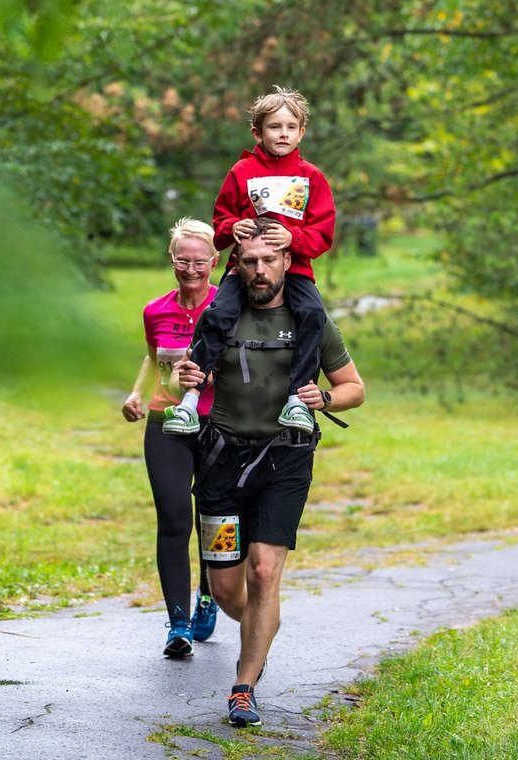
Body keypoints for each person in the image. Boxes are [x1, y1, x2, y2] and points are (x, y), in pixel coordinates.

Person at [173, 217, 364, 726]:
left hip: (286, 459)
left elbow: (354, 388)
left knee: (264, 571)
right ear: (237, 263)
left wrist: (322, 397)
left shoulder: (311, 320)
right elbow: (188, 379)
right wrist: (187, 376)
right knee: (230, 587)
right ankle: (261, 621)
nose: (259, 270)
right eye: (250, 261)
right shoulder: (219, 314)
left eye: (268, 260)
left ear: (286, 261)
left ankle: (243, 687)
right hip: (221, 460)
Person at [163, 85, 335, 437]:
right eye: (274, 127)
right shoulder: (241, 172)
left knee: (313, 315)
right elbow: (220, 224)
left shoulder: (311, 177)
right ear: (258, 132)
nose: (283, 134)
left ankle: (297, 401)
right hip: (240, 270)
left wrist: (294, 238)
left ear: (302, 131)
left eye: (290, 127)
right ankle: (190, 402)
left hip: (295, 269)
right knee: (218, 314)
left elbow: (324, 231)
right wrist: (232, 226)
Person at [121, 218, 221, 658]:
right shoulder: (155, 309)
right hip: (166, 424)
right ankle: (177, 624)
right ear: (172, 260)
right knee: (175, 518)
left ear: (215, 262)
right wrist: (137, 392)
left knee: (215, 520)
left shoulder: (227, 307)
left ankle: (209, 594)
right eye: (183, 260)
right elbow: (151, 354)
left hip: (219, 424)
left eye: (200, 261)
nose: (192, 269)